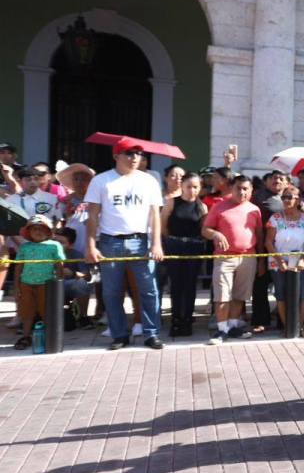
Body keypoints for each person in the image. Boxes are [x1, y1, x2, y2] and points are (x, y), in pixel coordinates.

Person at [82, 139, 165, 350]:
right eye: (129, 153)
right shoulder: (101, 180)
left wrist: (156, 244)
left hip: (140, 241)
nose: (135, 157)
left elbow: (155, 214)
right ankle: (119, 335)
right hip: (110, 241)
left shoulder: (149, 181)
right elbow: (92, 215)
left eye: (138, 153)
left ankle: (151, 333)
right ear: (116, 156)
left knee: (149, 290)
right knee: (111, 292)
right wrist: (91, 245)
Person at [202, 175, 263, 344]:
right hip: (224, 258)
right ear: (232, 188)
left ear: (251, 191)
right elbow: (205, 229)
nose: (242, 192)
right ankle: (221, 330)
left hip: (248, 257)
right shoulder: (219, 206)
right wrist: (216, 233)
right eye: (238, 188)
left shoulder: (254, 210)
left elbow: (259, 234)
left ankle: (233, 326)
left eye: (245, 189)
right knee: (222, 296)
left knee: (239, 296)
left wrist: (261, 260)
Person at [162, 172, 208, 336]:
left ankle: (187, 320)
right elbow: (163, 226)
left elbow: (203, 229)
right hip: (174, 245)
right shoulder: (172, 203)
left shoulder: (202, 207)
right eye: (189, 186)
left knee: (190, 286)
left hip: (194, 247)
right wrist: (171, 241)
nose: (192, 190)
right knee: (176, 285)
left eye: (195, 187)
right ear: (182, 186)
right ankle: (175, 320)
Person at [264, 183, 304, 336]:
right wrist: (280, 261)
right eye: (283, 197)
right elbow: (268, 242)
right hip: (278, 261)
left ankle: (299, 326)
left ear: (298, 200)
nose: (285, 200)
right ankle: (287, 327)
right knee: (281, 293)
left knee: (301, 294)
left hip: (299, 260)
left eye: (289, 197)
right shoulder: (275, 218)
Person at [12, 215, 66, 350]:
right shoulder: (25, 247)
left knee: (46, 310)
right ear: (29, 232)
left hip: (46, 284)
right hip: (26, 284)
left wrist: (60, 284)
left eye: (42, 229)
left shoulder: (54, 245)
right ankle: (26, 336)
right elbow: (18, 267)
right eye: (34, 229)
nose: (38, 231)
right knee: (27, 311)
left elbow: (59, 265)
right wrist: (16, 285)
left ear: (48, 232)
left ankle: (50, 336)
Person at [250, 170, 288, 333]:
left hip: (285, 249)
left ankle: (284, 319)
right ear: (266, 182)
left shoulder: (291, 196)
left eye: (281, 178)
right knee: (260, 285)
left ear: (287, 183)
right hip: (264, 247)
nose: (277, 180)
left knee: (284, 286)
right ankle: (260, 320)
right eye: (273, 178)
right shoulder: (258, 197)